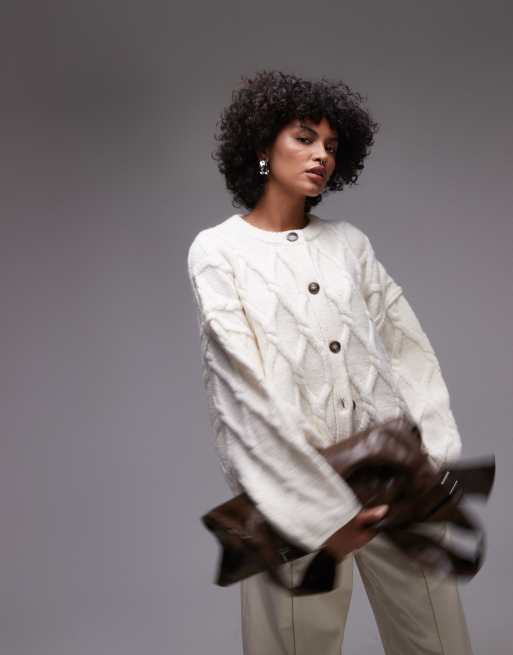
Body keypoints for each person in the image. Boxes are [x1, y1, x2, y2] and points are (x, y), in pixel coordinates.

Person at [187, 70, 473, 654]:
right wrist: (317, 509)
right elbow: (240, 390)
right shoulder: (218, 251)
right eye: (304, 138)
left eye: (332, 146)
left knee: (439, 643)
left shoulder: (350, 244)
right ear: (262, 145)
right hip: (291, 494)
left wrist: (436, 462)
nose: (321, 154)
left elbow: (408, 350)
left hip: (393, 481)